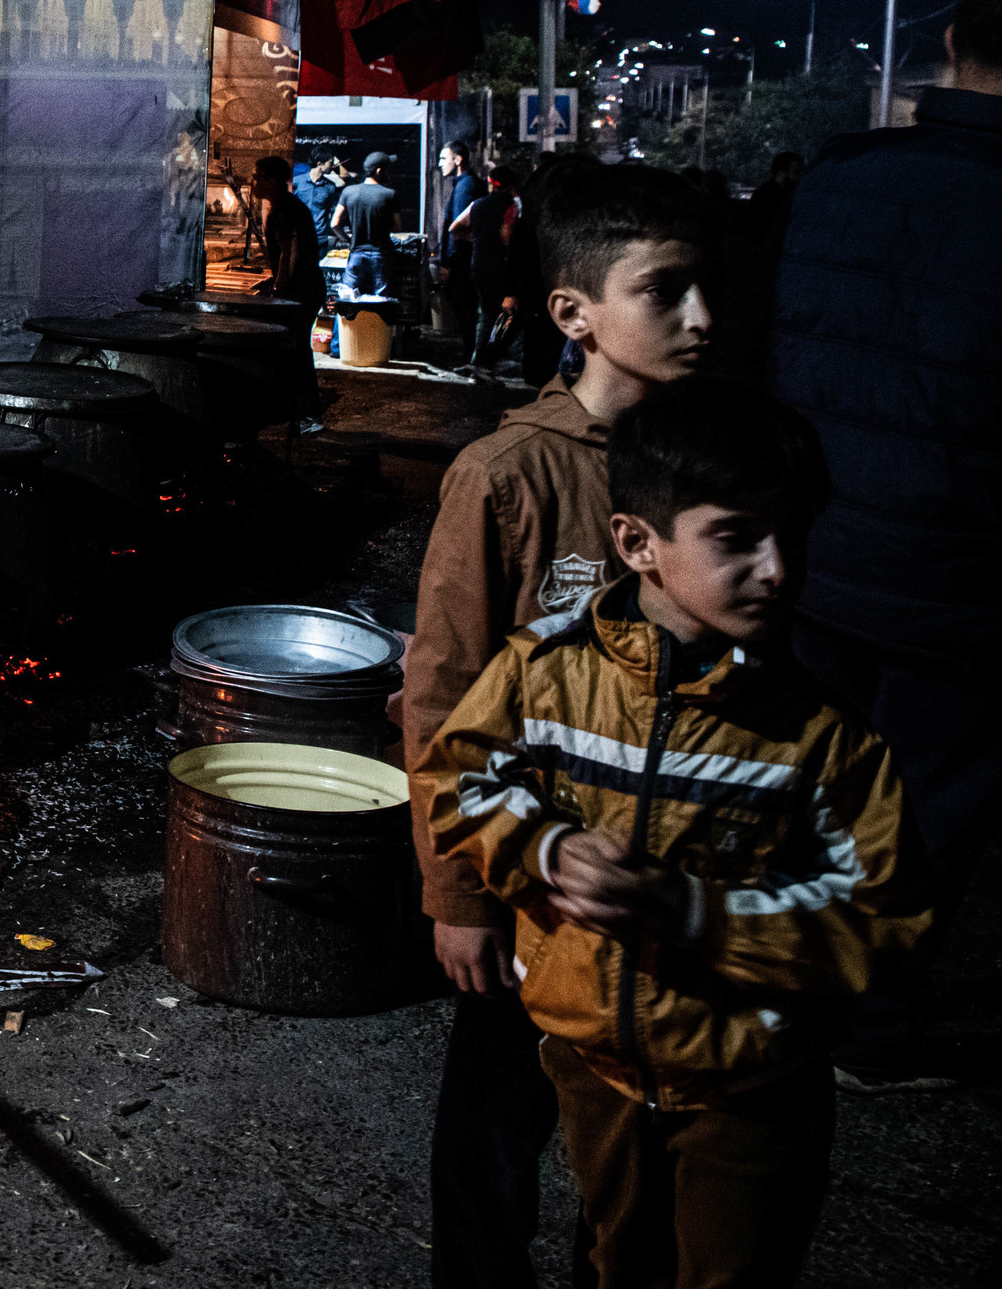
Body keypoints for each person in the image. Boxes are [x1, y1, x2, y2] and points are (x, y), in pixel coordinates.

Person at [422, 379, 923, 1289]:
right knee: (618, 1261)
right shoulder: (546, 671)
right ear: (636, 543)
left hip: (747, 1086)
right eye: (736, 538)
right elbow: (458, 783)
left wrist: (692, 911)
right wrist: (548, 849)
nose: (777, 569)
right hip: (592, 1065)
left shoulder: (821, 737)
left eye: (792, 537)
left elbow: (882, 920)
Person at [404, 162, 718, 1289]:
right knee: (494, 1133)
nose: (700, 319)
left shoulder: (702, 469)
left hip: (663, 880)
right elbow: (440, 698)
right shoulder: (509, 476)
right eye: (665, 291)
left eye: (704, 289)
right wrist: (457, 896)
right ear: (574, 314)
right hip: (531, 878)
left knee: (640, 1153)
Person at [766, 0, 1002, 1093]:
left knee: (806, 785)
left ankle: (773, 986)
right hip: (958, 582)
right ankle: (863, 1034)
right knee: (923, 815)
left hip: (813, 552)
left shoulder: (840, 178)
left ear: (953, 41)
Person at [249, 155, 325, 429]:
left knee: (297, 350)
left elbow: (289, 253)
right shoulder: (283, 205)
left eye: (257, 176)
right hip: (304, 287)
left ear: (271, 180)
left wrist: (280, 288)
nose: (253, 182)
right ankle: (295, 410)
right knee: (293, 349)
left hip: (302, 291)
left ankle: (309, 415)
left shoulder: (284, 210)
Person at [453, 165, 521, 374]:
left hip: (479, 265)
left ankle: (478, 361)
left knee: (485, 313)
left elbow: (455, 228)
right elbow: (508, 237)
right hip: (503, 266)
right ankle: (489, 360)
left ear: (491, 182)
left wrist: (476, 239)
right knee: (512, 314)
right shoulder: (515, 206)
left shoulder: (477, 205)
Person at [330, 150, 402, 295]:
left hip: (356, 254)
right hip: (381, 255)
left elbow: (334, 224)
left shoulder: (348, 192)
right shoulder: (390, 194)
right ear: (379, 170)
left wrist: (348, 239)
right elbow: (398, 227)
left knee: (348, 300)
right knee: (382, 301)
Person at [431, 141, 481, 340]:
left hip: (462, 263)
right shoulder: (463, 185)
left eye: (444, 158)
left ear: (458, 160)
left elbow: (459, 229)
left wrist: (450, 263)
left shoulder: (465, 187)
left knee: (465, 310)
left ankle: (472, 358)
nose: (439, 163)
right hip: (463, 260)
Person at [744, 150, 803, 241]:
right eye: (796, 172)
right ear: (781, 172)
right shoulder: (767, 196)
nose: (800, 177)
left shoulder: (785, 193)